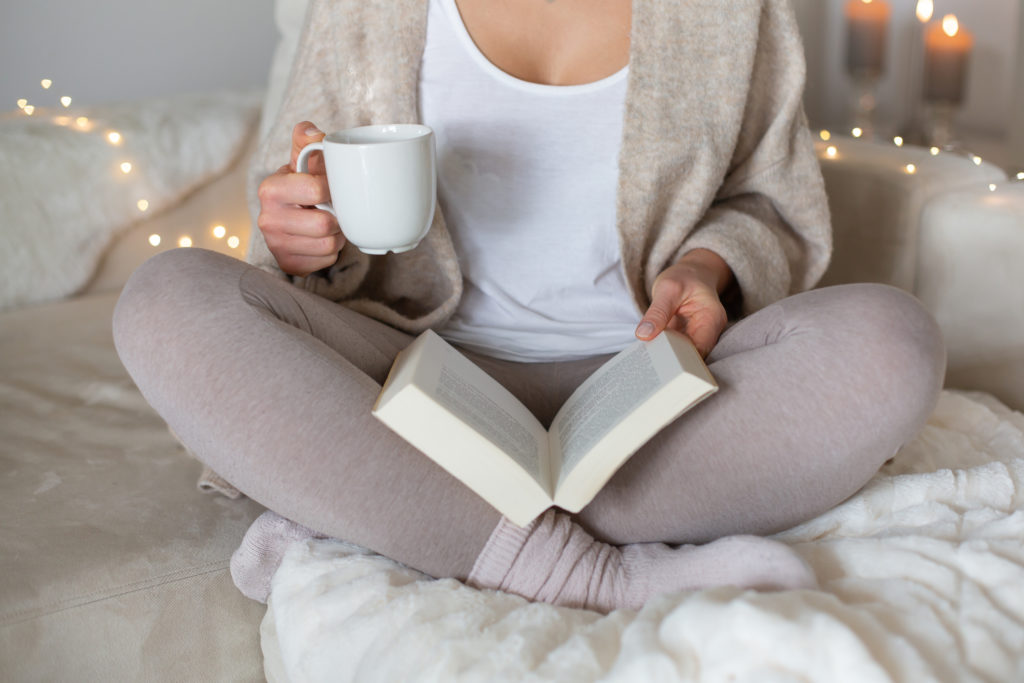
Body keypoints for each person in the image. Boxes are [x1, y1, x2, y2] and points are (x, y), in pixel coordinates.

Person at [112, 0, 946, 612]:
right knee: (166, 299)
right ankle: (579, 570)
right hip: (405, 374)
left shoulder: (728, 11)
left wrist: (705, 265)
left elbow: (769, 198)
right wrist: (307, 237)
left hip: (641, 386)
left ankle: (392, 511)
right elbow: (304, 189)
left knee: (892, 339)